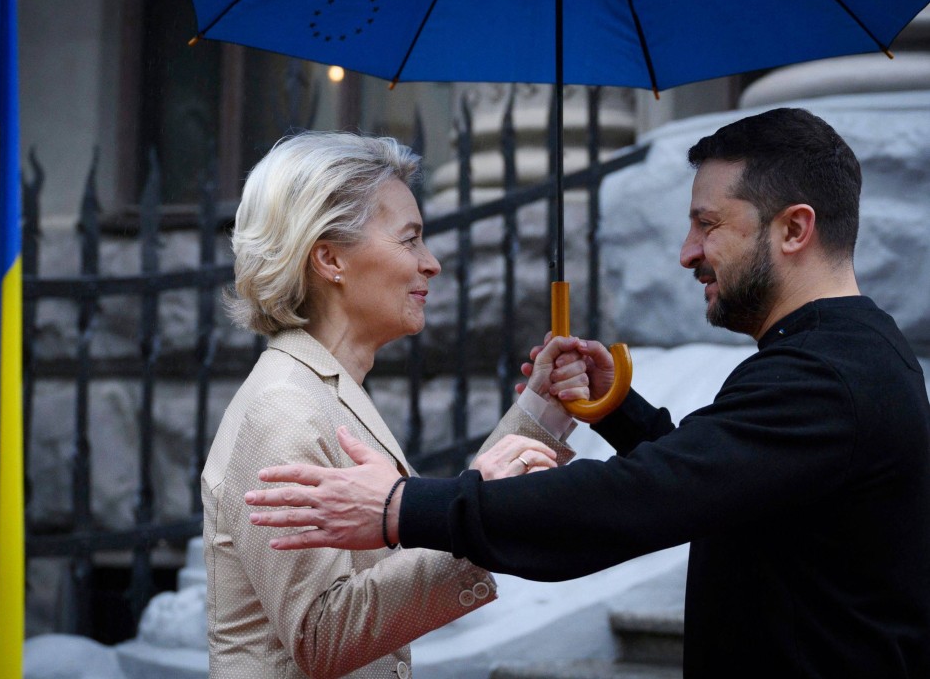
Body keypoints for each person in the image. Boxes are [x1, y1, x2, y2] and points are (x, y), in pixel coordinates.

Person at [243, 109, 930, 678]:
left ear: (794, 229)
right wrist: (617, 411)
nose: (688, 252)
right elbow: (727, 490)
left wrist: (401, 506)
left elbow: (635, 502)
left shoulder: (825, 378)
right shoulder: (841, 360)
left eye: (709, 224)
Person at [202, 130, 591, 679]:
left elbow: (402, 531)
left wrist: (543, 412)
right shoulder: (285, 407)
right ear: (329, 258)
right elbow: (321, 634)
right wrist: (475, 510)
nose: (431, 263)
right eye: (409, 240)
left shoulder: (324, 386)